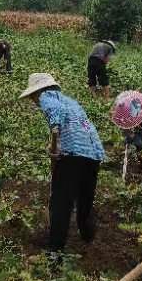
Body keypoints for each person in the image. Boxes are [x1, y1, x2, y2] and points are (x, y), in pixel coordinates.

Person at [19, 73, 105, 252]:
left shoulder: (46, 96)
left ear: (38, 91)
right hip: (93, 153)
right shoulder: (71, 102)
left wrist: (56, 144)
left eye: (33, 97)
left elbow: (55, 113)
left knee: (61, 202)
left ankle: (55, 251)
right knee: (85, 198)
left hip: (72, 155)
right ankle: (87, 236)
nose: (34, 102)